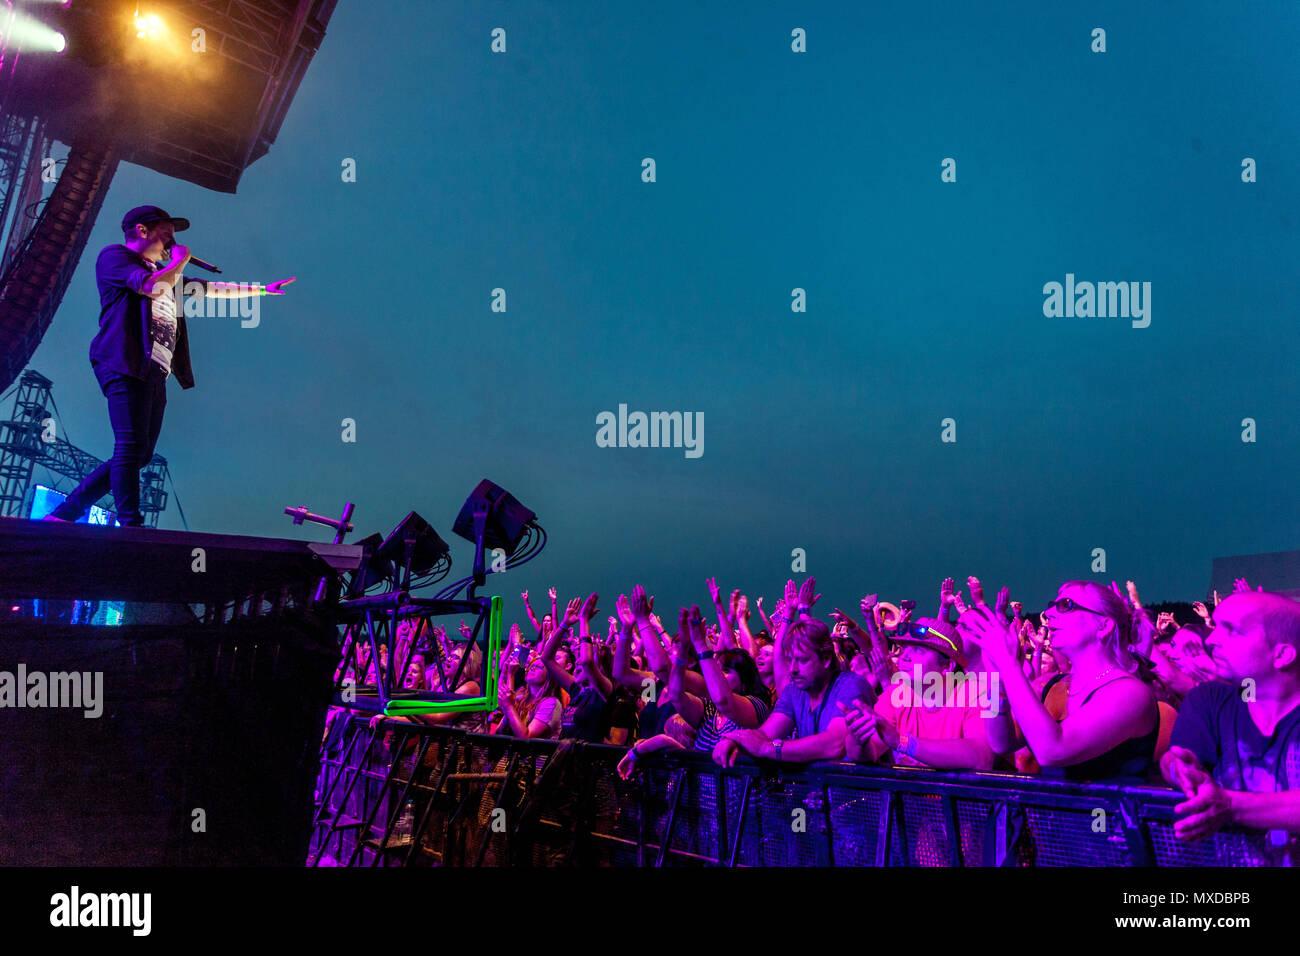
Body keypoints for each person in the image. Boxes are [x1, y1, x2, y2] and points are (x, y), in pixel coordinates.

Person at [44, 205, 295, 526]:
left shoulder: (167, 274)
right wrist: (178, 261)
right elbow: (150, 287)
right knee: (130, 444)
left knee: (141, 454)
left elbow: (209, 289)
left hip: (154, 370)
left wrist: (262, 289)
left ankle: (65, 514)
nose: (170, 242)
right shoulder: (114, 257)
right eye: (166, 234)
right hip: (123, 362)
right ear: (142, 230)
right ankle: (130, 524)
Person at [961, 576, 1159, 781]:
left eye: (1066, 605)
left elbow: (1053, 751)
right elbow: (1001, 743)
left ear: (1104, 625)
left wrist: (1010, 664)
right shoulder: (1052, 685)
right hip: (1048, 813)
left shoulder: (1130, 693)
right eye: (1052, 605)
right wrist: (995, 679)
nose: (1048, 613)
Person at [1161, 591, 1300, 847]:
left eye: (1232, 630)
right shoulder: (1210, 700)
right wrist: (1178, 770)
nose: (1211, 640)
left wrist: (1231, 805)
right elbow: (1176, 757)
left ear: (1281, 655)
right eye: (1215, 627)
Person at [714, 578, 875, 767]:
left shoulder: (850, 685)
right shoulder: (794, 691)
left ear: (825, 659)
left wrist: (768, 749)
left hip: (857, 794)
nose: (794, 669)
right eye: (790, 660)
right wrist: (734, 740)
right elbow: (765, 733)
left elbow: (834, 744)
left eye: (803, 660)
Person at [840, 617, 994, 771]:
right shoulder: (896, 695)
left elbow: (981, 757)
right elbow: (869, 753)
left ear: (947, 666)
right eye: (905, 648)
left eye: (918, 650)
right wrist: (858, 740)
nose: (905, 657)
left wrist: (903, 742)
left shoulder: (975, 694)